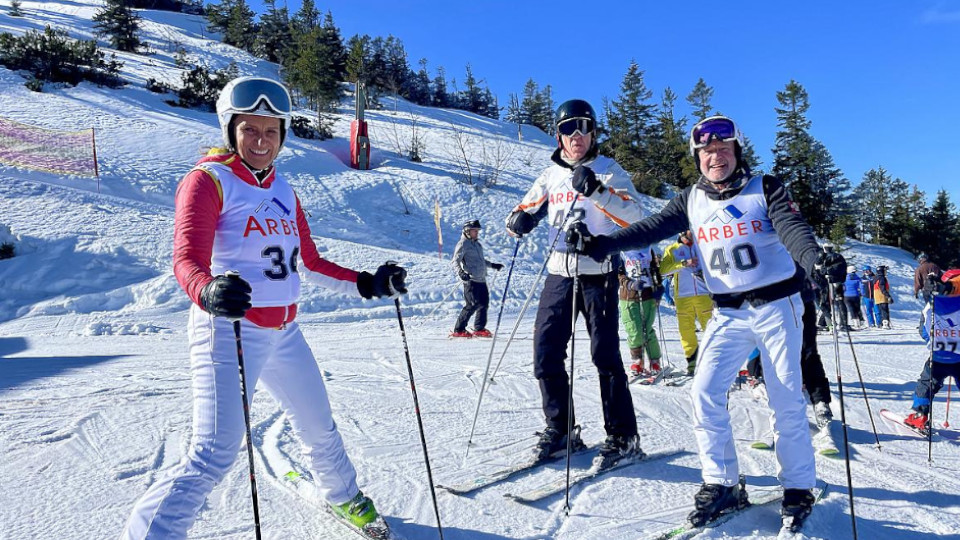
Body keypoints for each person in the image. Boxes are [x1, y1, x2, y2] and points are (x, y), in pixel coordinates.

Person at [120, 77, 407, 539]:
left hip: (285, 333)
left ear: (282, 136)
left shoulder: (285, 190)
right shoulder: (208, 180)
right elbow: (187, 258)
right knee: (214, 451)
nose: (261, 140)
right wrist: (207, 288)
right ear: (230, 129)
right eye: (250, 129)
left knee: (319, 425)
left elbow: (309, 263)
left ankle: (343, 496)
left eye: (271, 131)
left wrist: (368, 281)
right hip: (231, 329)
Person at [565, 115, 845, 528]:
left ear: (737, 152)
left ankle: (798, 487)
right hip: (728, 312)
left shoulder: (765, 188)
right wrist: (602, 244)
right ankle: (723, 482)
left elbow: (793, 230)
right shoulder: (690, 200)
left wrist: (815, 258)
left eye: (724, 149)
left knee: (785, 399)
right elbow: (647, 230)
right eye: (708, 151)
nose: (717, 157)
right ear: (697, 157)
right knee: (704, 392)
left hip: (776, 306)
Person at [504, 98, 645, 469]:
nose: (576, 135)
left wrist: (597, 190)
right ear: (559, 135)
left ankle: (623, 436)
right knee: (545, 352)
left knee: (605, 356)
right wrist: (519, 220)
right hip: (559, 274)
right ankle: (562, 429)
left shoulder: (609, 170)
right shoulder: (551, 174)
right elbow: (521, 210)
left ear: (594, 132)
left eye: (584, 126)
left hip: (597, 275)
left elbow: (635, 218)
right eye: (569, 128)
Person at [905, 270, 960, 432]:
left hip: (938, 355)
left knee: (927, 383)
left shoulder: (933, 304)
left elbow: (923, 329)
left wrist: (932, 341)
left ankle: (921, 415)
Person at [660, 230, 713, 374]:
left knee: (711, 329)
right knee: (686, 331)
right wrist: (683, 263)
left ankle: (713, 363)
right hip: (683, 296)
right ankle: (692, 364)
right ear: (682, 232)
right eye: (689, 230)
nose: (692, 232)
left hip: (703, 294)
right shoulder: (672, 249)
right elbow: (663, 270)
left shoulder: (703, 245)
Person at [450, 219, 503, 338]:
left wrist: (492, 265)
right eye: (474, 231)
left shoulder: (477, 245)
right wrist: (461, 273)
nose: (477, 233)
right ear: (467, 231)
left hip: (481, 280)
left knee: (484, 304)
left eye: (477, 231)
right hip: (471, 280)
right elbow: (455, 261)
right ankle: (458, 330)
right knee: (471, 304)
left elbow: (480, 261)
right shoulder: (463, 244)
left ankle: (479, 328)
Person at [618, 249, 662, 376]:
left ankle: (654, 360)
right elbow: (618, 273)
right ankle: (638, 360)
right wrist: (630, 284)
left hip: (648, 294)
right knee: (635, 330)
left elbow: (654, 270)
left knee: (647, 329)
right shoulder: (622, 249)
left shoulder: (648, 248)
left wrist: (658, 287)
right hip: (629, 296)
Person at [843, 265, 864, 329]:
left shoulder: (844, 278)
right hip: (856, 295)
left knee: (851, 309)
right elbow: (862, 286)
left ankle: (855, 322)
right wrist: (862, 293)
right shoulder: (858, 278)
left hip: (846, 296)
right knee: (857, 308)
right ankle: (859, 321)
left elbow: (842, 287)